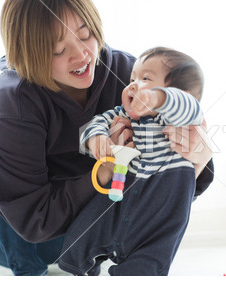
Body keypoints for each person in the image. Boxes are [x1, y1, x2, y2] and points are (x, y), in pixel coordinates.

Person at [0, 0, 213, 276]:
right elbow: (35, 223)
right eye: (58, 49)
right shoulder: (12, 103)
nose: (82, 55)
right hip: (15, 229)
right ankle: (24, 269)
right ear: (28, 54)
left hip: (84, 226)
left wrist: (197, 163)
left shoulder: (128, 76)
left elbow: (160, 196)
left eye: (86, 35)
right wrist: (103, 171)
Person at [58, 47, 205, 276]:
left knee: (149, 257)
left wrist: (156, 98)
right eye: (132, 78)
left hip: (163, 193)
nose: (133, 84)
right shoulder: (124, 115)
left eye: (146, 78)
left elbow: (188, 104)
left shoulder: (178, 118)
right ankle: (83, 268)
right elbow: (97, 122)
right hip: (125, 187)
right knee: (84, 234)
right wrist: (96, 138)